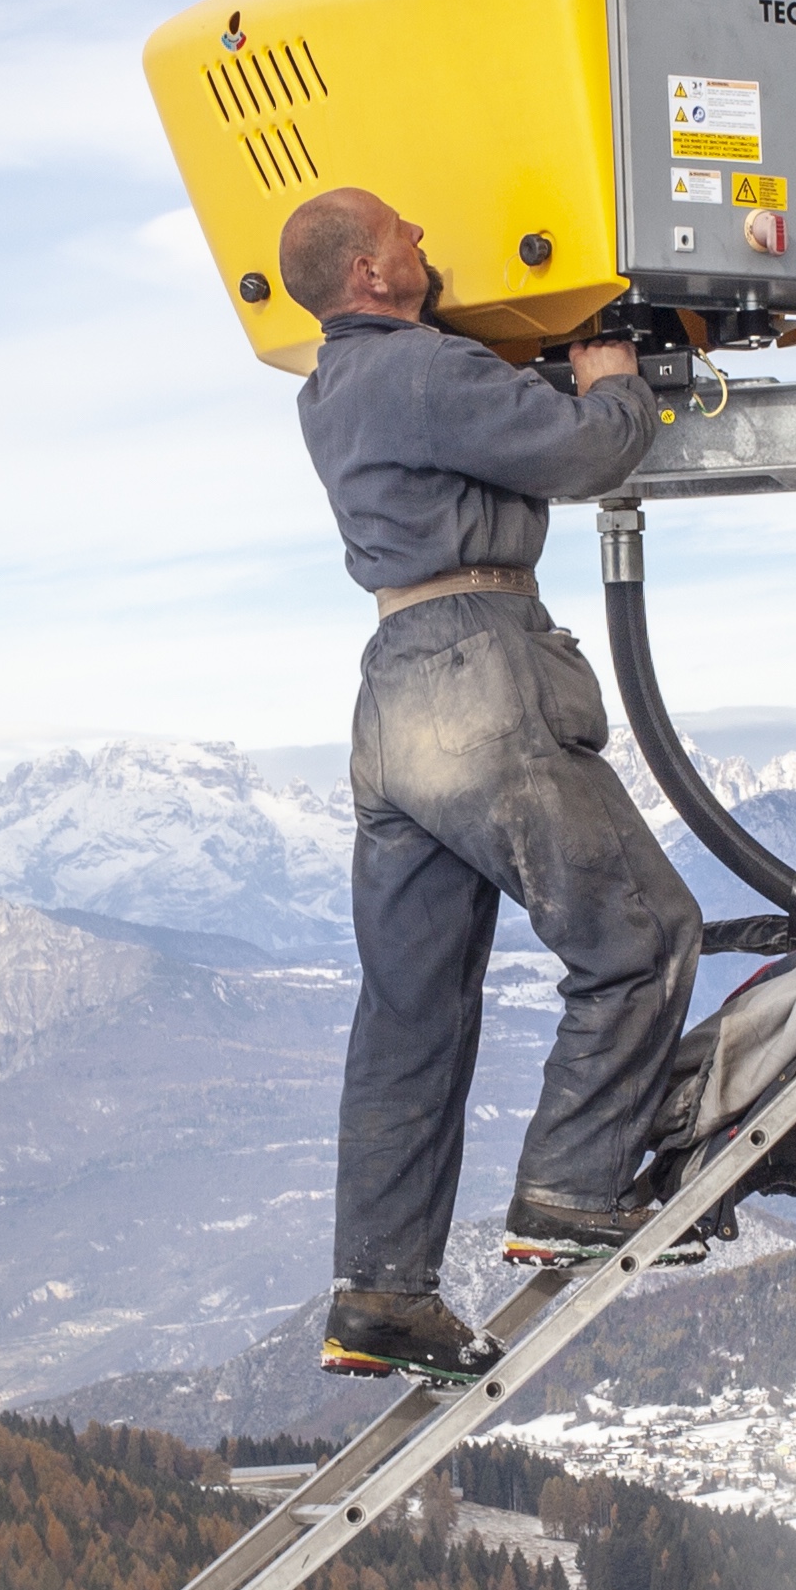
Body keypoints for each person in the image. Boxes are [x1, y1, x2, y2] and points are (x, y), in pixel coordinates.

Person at [278, 185, 703, 1382]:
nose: (425, 233)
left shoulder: (332, 389)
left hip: (392, 693)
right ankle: (571, 1190)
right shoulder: (416, 371)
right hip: (478, 672)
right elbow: (583, 449)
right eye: (404, 230)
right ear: (368, 272)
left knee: (411, 1013)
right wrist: (611, 373)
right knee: (639, 935)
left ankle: (381, 1294)